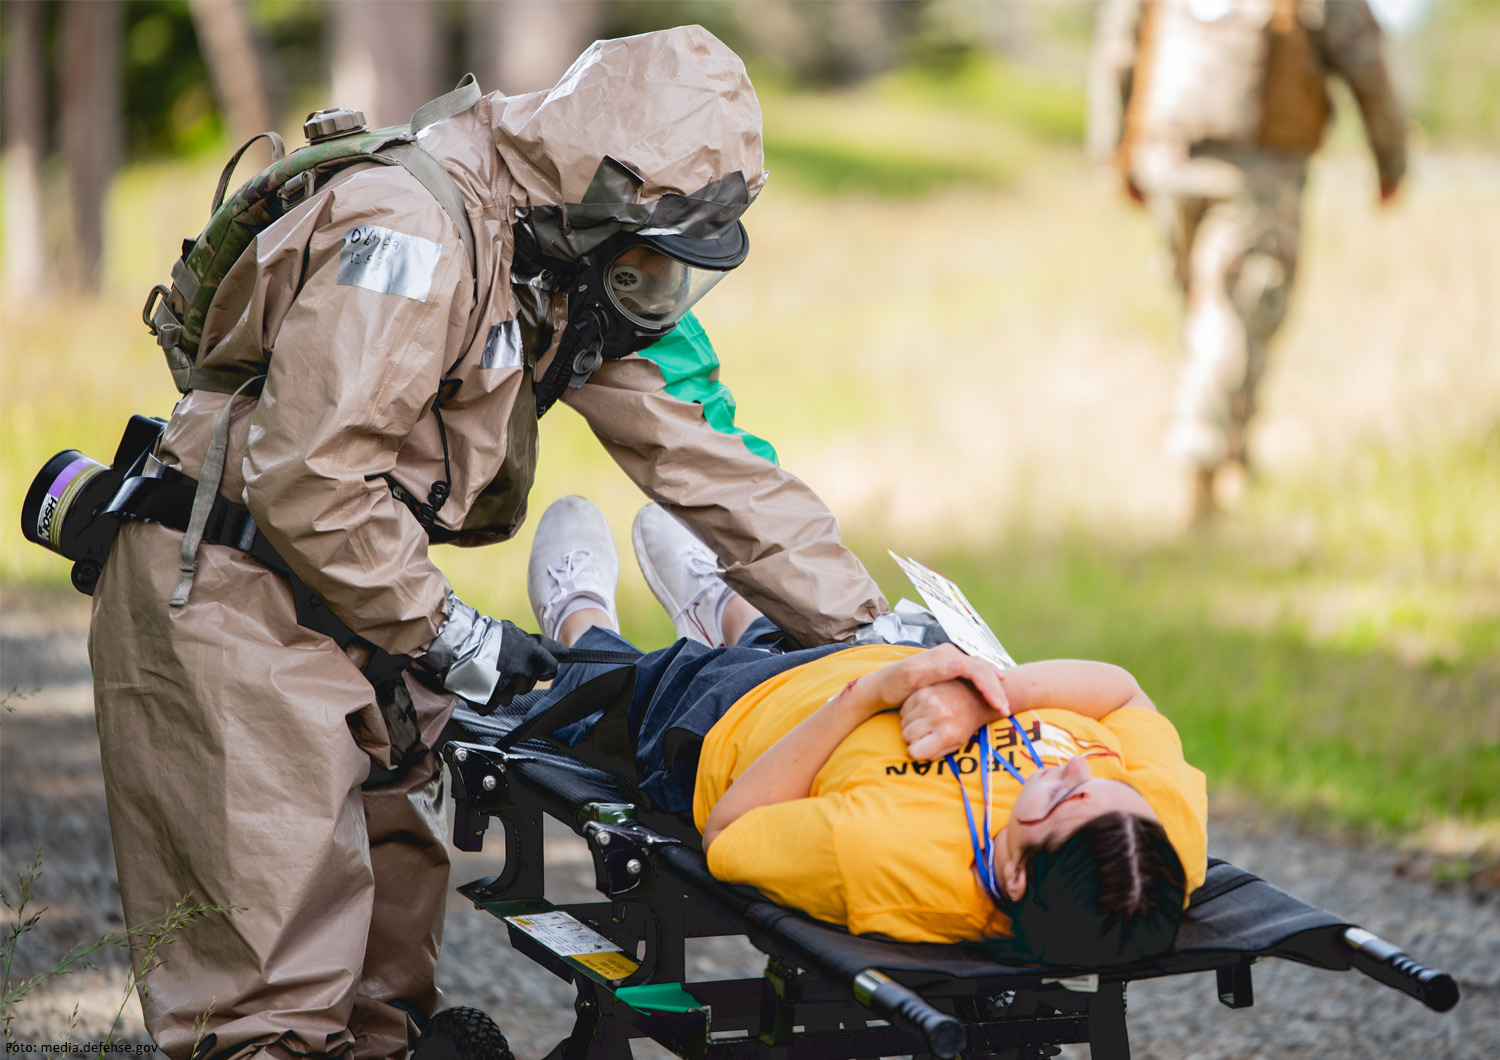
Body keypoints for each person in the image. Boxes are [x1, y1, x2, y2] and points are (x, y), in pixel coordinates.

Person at [89, 27, 889, 1060]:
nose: (659, 288)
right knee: (270, 1017)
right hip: (233, 599)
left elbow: (709, 460)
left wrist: (876, 637)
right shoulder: (414, 229)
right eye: (651, 258)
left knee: (384, 995)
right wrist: (457, 634)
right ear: (608, 199)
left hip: (356, 608)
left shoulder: (565, 261)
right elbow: (308, 473)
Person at [525, 497, 1209, 964]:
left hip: (730, 717)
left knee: (613, 687)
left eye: (1063, 798)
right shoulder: (1153, 846)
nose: (1080, 770)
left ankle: (578, 620)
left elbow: (729, 830)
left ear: (1015, 875)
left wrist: (865, 699)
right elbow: (1125, 690)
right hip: (876, 658)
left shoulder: (881, 859)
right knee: (781, 633)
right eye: (1107, 782)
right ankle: (722, 607)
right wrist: (987, 698)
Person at [1087, 0, 1406, 521]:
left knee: (1214, 318)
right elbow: (1363, 57)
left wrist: (1112, 151)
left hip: (1170, 161)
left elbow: (1117, 47)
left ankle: (1232, 457)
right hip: (1256, 172)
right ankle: (1201, 474)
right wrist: (1391, 156)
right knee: (1231, 320)